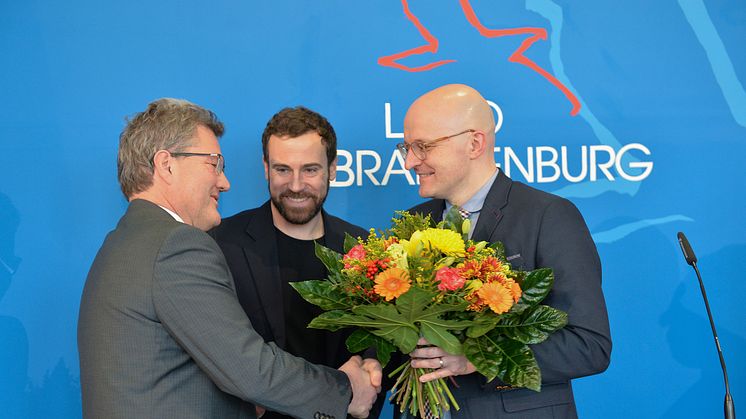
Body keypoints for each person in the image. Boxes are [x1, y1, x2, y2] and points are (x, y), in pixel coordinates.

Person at [77, 98, 381, 419]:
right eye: (214, 164)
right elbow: (250, 369)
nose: (224, 182)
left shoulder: (125, 240)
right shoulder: (177, 246)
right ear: (167, 165)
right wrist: (346, 389)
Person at [398, 84, 612, 418]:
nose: (410, 162)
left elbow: (589, 346)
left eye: (423, 147)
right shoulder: (411, 225)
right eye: (406, 147)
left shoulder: (548, 216)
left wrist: (474, 359)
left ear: (474, 143)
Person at [210, 106, 385, 418]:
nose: (295, 185)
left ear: (332, 168)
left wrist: (373, 366)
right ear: (265, 167)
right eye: (282, 169)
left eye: (310, 170)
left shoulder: (364, 248)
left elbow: (380, 343)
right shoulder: (222, 243)